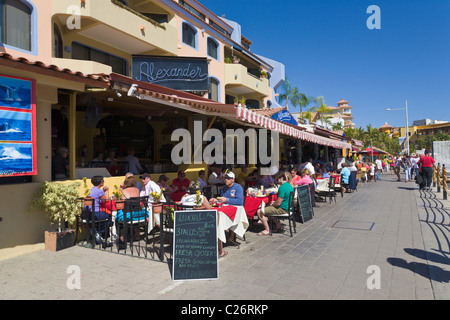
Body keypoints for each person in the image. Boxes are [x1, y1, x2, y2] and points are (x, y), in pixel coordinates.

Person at [255, 171, 294, 236]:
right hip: (287, 207)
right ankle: (278, 225)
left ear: (281, 178)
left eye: (277, 179)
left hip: (282, 209)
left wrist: (272, 204)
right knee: (268, 208)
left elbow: (278, 203)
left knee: (259, 211)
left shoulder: (282, 187)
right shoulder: (289, 185)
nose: (276, 181)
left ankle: (267, 230)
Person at [115, 176, 147, 249]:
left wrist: (121, 187)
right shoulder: (137, 190)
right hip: (139, 213)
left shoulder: (123, 191)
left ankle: (121, 236)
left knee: (118, 217)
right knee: (126, 215)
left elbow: (121, 201)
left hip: (129, 214)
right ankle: (136, 232)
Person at [86, 175, 112, 247]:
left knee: (103, 217)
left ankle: (96, 230)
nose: (103, 181)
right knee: (109, 217)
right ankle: (99, 232)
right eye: (103, 180)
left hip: (88, 213)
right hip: (95, 213)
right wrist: (106, 191)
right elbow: (105, 200)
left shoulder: (92, 190)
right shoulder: (99, 191)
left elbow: (99, 198)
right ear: (101, 182)